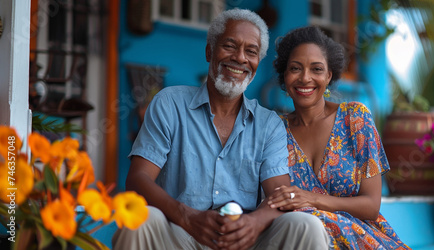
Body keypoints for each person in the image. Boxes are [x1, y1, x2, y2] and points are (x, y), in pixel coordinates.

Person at [112, 9, 329, 250]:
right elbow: (137, 179)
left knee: (304, 225)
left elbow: (279, 195)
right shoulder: (169, 104)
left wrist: (254, 222)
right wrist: (187, 217)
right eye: (229, 46)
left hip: (244, 239)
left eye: (251, 51)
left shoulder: (269, 124)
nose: (240, 58)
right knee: (141, 221)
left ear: (257, 62)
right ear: (209, 51)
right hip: (179, 232)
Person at [267, 26, 410, 249]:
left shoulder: (355, 119)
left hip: (360, 239)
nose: (305, 78)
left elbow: (372, 205)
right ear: (284, 77)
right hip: (305, 239)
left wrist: (312, 198)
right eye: (295, 68)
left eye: (316, 69)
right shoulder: (275, 131)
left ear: (328, 76)